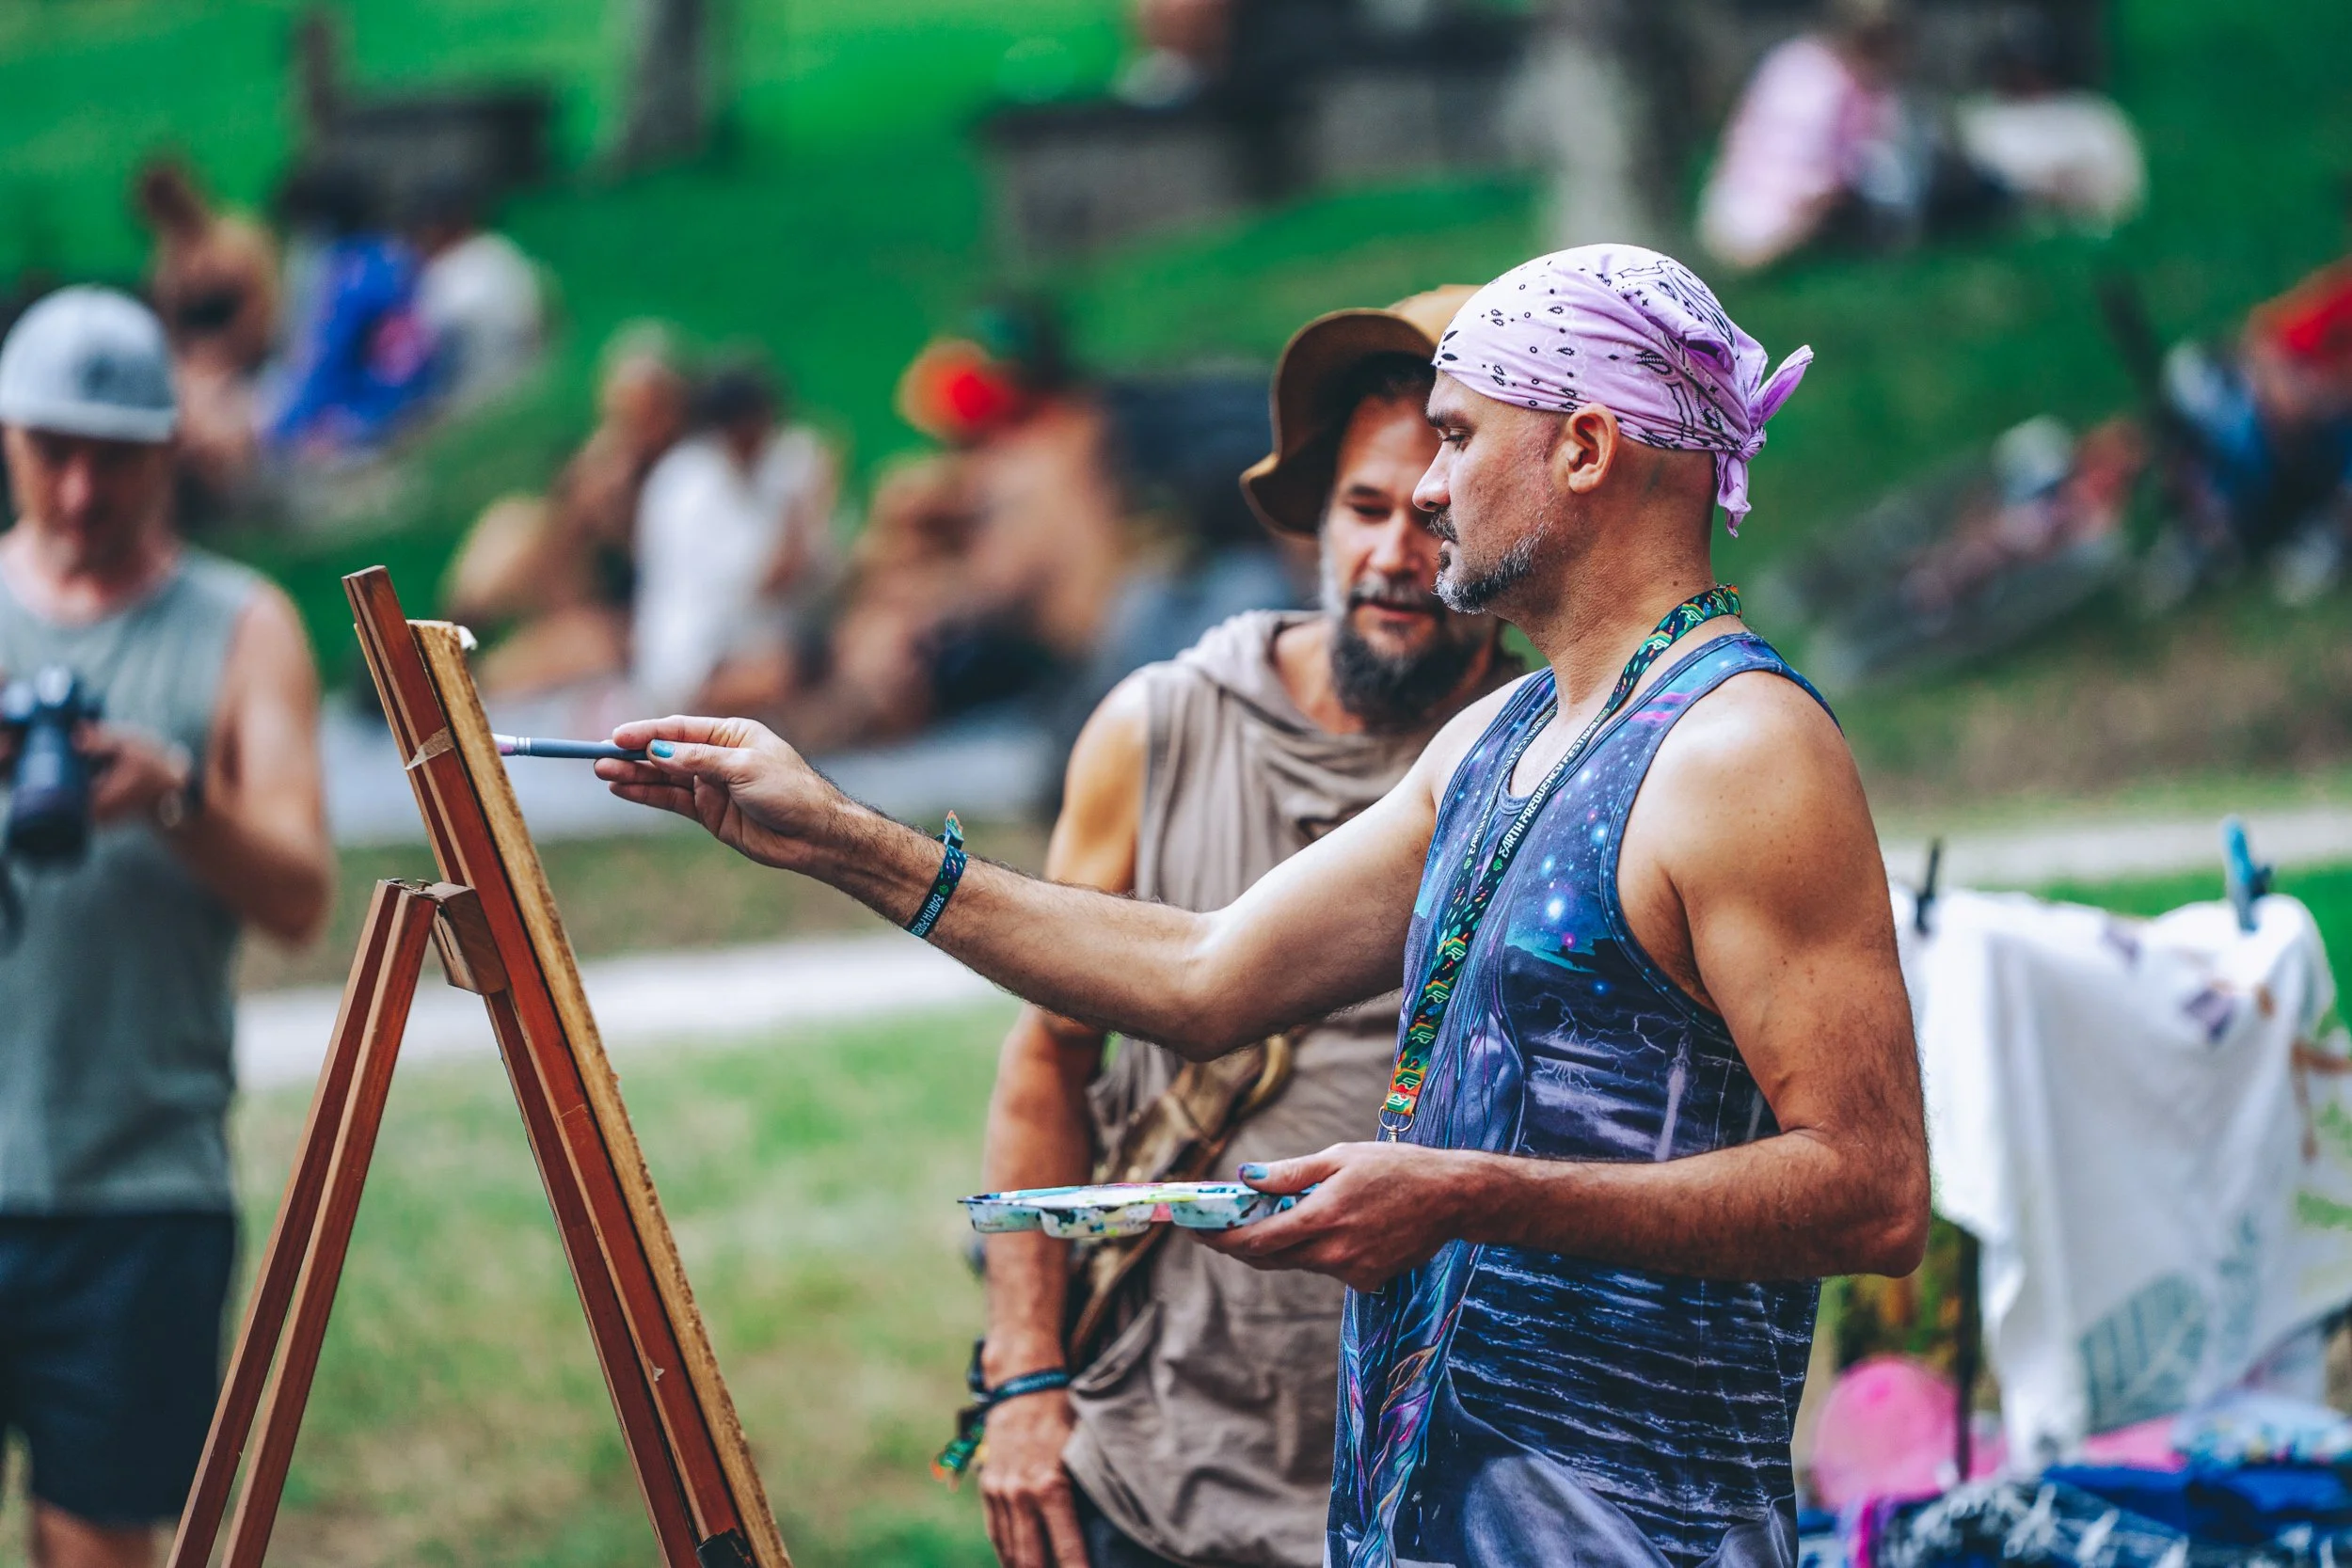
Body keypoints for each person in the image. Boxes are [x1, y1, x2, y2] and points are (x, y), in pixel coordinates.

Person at [598, 244, 1929, 1563]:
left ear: (1584, 449)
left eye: (1459, 437)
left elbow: (1869, 1191)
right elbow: (1205, 971)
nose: (1426, 484)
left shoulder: (1739, 750)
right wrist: (838, 837)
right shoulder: (1503, 735)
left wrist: (1464, 1191)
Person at [977, 287, 1517, 1568]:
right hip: (1163, 1466)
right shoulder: (1159, 730)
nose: (1395, 553)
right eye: (1366, 508)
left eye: (1435, 516)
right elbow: (1046, 1059)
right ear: (1314, 528)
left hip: (1454, 1478)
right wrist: (1024, 1374)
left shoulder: (1555, 757)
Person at [0, 287, 332, 1566]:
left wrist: (175, 797)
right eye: (50, 451)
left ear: (167, 451)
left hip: (139, 1186)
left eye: (114, 455)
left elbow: (301, 895)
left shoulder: (241, 628)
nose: (81, 490)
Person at [443, 325, 690, 696]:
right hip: (581, 592)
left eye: (639, 411)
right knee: (509, 528)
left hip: (636, 623)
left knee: (579, 643)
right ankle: (440, 648)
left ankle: (466, 688)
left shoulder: (688, 476)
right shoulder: (605, 461)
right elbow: (564, 540)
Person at [630, 356, 837, 711]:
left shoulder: (745, 471)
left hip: (743, 642)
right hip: (698, 660)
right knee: (803, 670)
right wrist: (803, 501)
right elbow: (776, 579)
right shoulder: (692, 487)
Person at [131, 157, 280, 512]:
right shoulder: (168, 263)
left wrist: (220, 357)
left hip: (248, 361)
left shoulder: (240, 241)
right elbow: (170, 335)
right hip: (195, 370)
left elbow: (265, 315)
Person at [408, 177, 546, 410]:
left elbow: (422, 362)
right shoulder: (503, 251)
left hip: (468, 405)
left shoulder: (442, 276)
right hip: (525, 388)